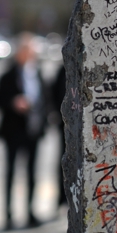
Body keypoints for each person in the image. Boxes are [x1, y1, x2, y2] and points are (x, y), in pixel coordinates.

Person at [0, 33, 47, 229]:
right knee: (10, 173)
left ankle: (30, 212)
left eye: (31, 50)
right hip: (13, 131)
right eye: (24, 50)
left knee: (32, 173)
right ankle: (8, 215)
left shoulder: (38, 73)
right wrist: (13, 103)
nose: (28, 54)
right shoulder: (7, 75)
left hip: (33, 131)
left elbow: (45, 100)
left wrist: (44, 120)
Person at [51, 64, 67, 209]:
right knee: (64, 161)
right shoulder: (63, 69)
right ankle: (62, 198)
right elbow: (54, 94)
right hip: (65, 126)